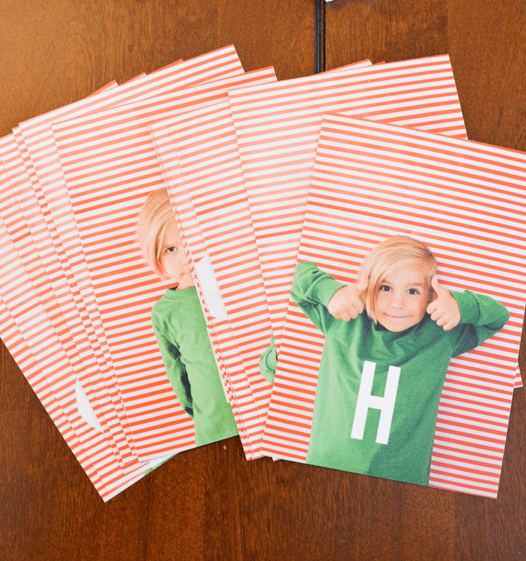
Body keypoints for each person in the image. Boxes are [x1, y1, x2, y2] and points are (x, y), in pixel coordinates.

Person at [261, 235, 509, 486]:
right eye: (385, 287)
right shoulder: (345, 318)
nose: (397, 303)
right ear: (369, 287)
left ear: (430, 297)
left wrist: (459, 304)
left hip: (402, 482)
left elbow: (499, 316)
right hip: (326, 469)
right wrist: (331, 292)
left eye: (413, 291)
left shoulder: (441, 333)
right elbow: (289, 271)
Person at [136, 187, 239, 446]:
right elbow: (177, 374)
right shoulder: (165, 312)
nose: (186, 257)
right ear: (155, 255)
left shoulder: (234, 283)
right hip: (214, 430)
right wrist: (200, 412)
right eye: (171, 249)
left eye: (191, 241)